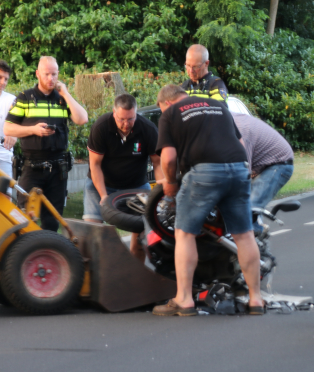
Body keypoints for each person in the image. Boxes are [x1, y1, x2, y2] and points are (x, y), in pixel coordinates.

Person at [152, 84, 264, 317]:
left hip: (204, 172)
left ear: (166, 102)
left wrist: (171, 182)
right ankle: (256, 299)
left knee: (185, 233)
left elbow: (169, 157)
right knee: (244, 234)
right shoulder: (217, 105)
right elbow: (241, 144)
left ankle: (183, 300)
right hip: (239, 167)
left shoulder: (171, 114)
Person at [4, 56, 89, 231]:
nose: (51, 78)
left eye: (54, 74)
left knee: (52, 221)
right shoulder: (25, 97)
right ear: (37, 74)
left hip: (58, 169)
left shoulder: (62, 99)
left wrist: (65, 93)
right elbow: (8, 128)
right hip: (32, 167)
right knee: (24, 220)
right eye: (46, 74)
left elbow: (82, 119)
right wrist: (33, 130)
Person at [84, 93, 162, 260]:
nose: (126, 124)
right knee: (92, 233)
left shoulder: (148, 129)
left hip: (136, 184)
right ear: (114, 113)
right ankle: (95, 276)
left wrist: (162, 191)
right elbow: (95, 164)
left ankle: (136, 276)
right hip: (102, 182)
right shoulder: (101, 127)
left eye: (131, 119)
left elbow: (158, 163)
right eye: (121, 119)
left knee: (142, 235)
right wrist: (104, 196)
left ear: (136, 114)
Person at [232, 114, 294, 210]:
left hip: (278, 164)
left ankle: (254, 224)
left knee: (250, 209)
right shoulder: (224, 120)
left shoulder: (240, 130)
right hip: (260, 164)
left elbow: (243, 171)